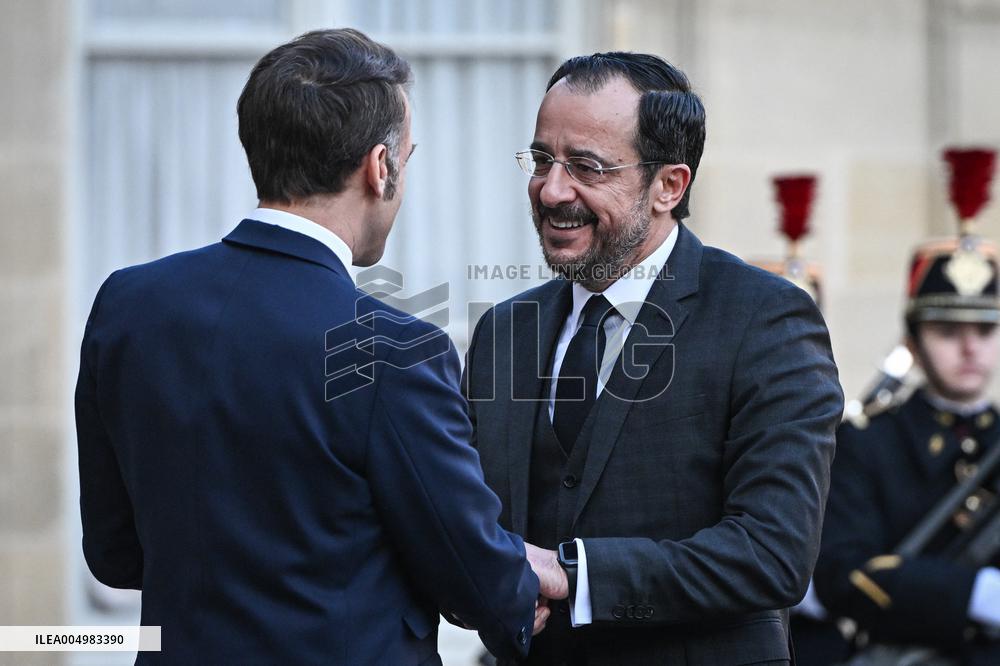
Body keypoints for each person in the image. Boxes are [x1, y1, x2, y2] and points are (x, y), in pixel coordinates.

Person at [75, 28, 558, 665]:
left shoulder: (128, 304)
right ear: (379, 167)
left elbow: (114, 554)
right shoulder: (394, 347)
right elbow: (477, 584)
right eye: (407, 159)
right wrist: (530, 577)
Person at [462, 51, 844, 665]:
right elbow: (475, 525)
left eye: (587, 166)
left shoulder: (765, 319)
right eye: (541, 160)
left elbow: (773, 554)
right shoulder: (505, 330)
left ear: (670, 184)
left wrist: (574, 575)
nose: (552, 190)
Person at [814, 157, 1000, 664]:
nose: (970, 350)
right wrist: (977, 594)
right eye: (947, 332)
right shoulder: (868, 441)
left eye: (984, 331)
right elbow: (845, 572)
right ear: (912, 343)